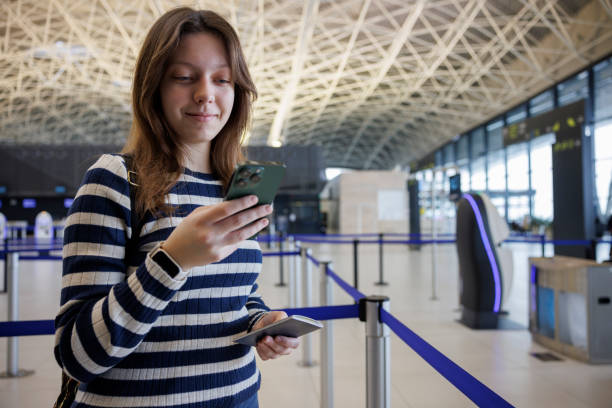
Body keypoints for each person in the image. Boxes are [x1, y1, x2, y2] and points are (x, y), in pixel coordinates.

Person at [54, 8, 299, 408]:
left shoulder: (239, 186)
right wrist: (173, 260)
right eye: (184, 78)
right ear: (154, 87)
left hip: (238, 397)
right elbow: (77, 355)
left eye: (222, 79)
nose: (206, 93)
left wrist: (261, 321)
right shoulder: (114, 179)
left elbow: (235, 296)